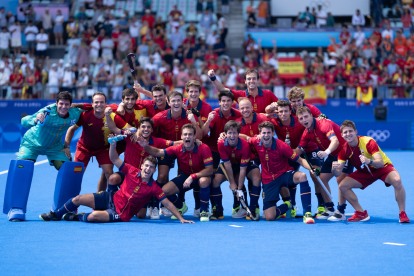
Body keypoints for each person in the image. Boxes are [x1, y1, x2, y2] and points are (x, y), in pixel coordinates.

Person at [39, 153, 194, 224]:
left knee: (92, 217)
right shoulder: (132, 170)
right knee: (77, 199)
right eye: (146, 166)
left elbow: (167, 203)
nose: (148, 169)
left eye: (151, 167)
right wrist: (113, 144)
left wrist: (181, 218)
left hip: (120, 213)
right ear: (142, 166)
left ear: (154, 170)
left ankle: (75, 217)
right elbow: (114, 159)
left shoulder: (153, 188)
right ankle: (56, 214)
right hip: (110, 198)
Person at [333, 120, 409, 223]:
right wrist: (333, 169)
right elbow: (338, 172)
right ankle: (360, 213)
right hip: (364, 172)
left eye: (350, 131)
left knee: (397, 181)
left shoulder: (368, 142)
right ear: (342, 135)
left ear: (356, 132)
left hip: (382, 168)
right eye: (345, 132)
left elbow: (380, 163)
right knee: (343, 186)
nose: (348, 134)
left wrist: (369, 161)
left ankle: (402, 214)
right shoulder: (344, 150)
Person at [137, 124, 214, 221]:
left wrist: (193, 176)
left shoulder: (204, 148)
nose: (187, 137)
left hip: (201, 176)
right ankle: (181, 206)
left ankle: (204, 210)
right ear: (181, 137)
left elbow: (209, 170)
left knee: (203, 181)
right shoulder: (177, 148)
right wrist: (145, 146)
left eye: (190, 134)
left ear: (195, 136)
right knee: (164, 191)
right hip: (185, 176)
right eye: (185, 134)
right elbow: (158, 152)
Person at [105, 117, 178, 219]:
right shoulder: (130, 136)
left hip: (144, 178)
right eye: (143, 127)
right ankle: (110, 204)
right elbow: (114, 129)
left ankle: (147, 204)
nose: (146, 129)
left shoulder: (157, 141)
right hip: (128, 173)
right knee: (113, 178)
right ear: (138, 128)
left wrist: (191, 141)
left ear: (152, 130)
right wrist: (107, 114)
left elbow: (174, 144)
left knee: (141, 216)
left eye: (149, 127)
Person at [248, 121, 316, 223]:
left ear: (273, 133)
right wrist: (224, 135)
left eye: (268, 133)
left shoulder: (282, 146)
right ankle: (288, 204)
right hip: (268, 181)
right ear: (260, 134)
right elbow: (245, 138)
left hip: (284, 175)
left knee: (302, 176)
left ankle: (307, 214)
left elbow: (300, 160)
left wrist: (311, 168)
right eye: (263, 133)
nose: (266, 135)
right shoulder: (256, 142)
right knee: (269, 217)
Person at [65, 92, 131, 192]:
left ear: (106, 104)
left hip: (103, 149)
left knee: (108, 174)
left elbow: (130, 128)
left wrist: (132, 131)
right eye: (96, 102)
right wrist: (66, 146)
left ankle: (104, 202)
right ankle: (73, 205)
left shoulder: (113, 117)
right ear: (92, 104)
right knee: (76, 177)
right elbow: (71, 129)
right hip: (84, 148)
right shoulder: (84, 115)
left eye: (101, 102)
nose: (99, 104)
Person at [297, 106, 353, 221]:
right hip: (333, 155)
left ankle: (341, 211)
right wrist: (282, 151)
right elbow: (298, 150)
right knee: (321, 179)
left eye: (306, 116)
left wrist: (326, 152)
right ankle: (329, 209)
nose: (304, 120)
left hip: (345, 152)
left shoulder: (323, 124)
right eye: (301, 118)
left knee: (340, 180)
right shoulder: (306, 133)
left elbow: (335, 141)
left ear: (311, 116)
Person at [18, 91, 82, 169]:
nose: (63, 106)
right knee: (22, 168)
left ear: (70, 105)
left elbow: (91, 108)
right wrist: (35, 119)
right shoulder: (48, 111)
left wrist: (66, 146)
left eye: (66, 104)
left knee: (68, 170)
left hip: (54, 146)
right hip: (32, 144)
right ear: (56, 103)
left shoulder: (75, 113)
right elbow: (24, 121)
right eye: (61, 103)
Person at [211, 120, 262, 220]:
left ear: (239, 134)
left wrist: (238, 188)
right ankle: (219, 211)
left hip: (247, 163)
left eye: (234, 132)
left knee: (256, 179)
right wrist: (232, 183)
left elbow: (243, 169)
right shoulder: (221, 143)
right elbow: (227, 164)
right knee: (215, 181)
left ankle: (251, 209)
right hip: (231, 163)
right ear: (225, 134)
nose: (232, 135)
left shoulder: (245, 145)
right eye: (229, 133)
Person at [209, 68, 278, 114]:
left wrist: (274, 107)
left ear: (258, 80)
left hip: (264, 132)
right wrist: (213, 78)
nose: (251, 81)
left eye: (254, 78)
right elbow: (222, 89)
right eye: (249, 79)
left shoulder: (268, 93)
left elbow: (281, 105)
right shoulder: (239, 94)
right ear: (245, 81)